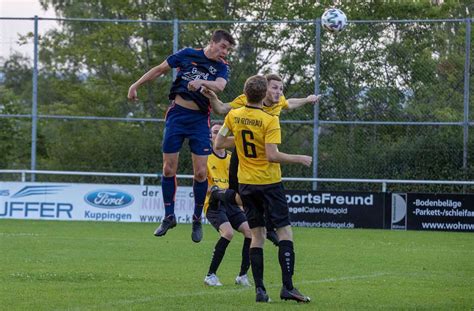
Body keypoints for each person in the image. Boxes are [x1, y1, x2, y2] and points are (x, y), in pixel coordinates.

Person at [127, 29, 235, 243]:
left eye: (228, 49)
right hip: (177, 115)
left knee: (201, 173)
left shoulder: (222, 66)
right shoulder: (187, 54)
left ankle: (196, 219)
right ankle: (169, 216)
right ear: (212, 43)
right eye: (223, 47)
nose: (225, 52)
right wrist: (135, 85)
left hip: (199, 119)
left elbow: (221, 86)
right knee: (168, 168)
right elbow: (159, 69)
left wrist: (202, 83)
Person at [215, 75, 312, 303]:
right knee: (285, 232)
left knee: (257, 236)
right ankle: (288, 288)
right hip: (269, 183)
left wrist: (239, 140)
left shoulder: (233, 115)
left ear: (245, 94)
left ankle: (260, 291)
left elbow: (218, 144)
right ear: (264, 94)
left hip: (246, 185)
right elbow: (272, 155)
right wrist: (299, 158)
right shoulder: (269, 119)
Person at [202, 74, 320, 246]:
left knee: (261, 196)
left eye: (281, 89)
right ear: (264, 89)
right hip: (244, 155)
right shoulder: (246, 99)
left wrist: (308, 100)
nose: (279, 92)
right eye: (274, 88)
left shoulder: (278, 101)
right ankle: (218, 195)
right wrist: (213, 98)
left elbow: (290, 103)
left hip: (264, 154)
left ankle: (266, 227)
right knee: (241, 196)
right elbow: (221, 109)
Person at [203, 122, 252, 287]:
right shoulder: (204, 156)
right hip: (214, 203)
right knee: (228, 233)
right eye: (215, 132)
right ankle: (210, 275)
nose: (218, 135)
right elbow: (199, 182)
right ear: (210, 137)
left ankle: (243, 275)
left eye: (221, 132)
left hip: (231, 202)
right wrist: (213, 190)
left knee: (250, 232)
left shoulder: (232, 158)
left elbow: (237, 183)